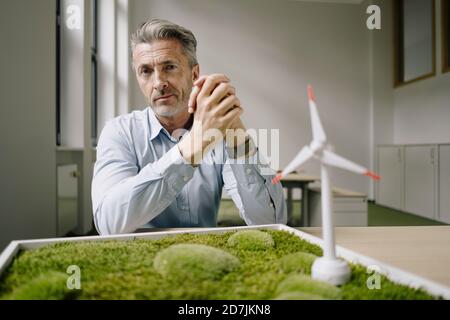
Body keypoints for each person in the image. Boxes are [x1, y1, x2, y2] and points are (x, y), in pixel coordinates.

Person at [91, 19, 286, 235]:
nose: (158, 82)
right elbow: (108, 224)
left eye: (170, 67)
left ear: (194, 74)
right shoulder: (119, 132)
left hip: (207, 258)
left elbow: (272, 220)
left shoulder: (219, 131)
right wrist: (195, 145)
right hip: (138, 261)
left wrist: (234, 127)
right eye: (146, 71)